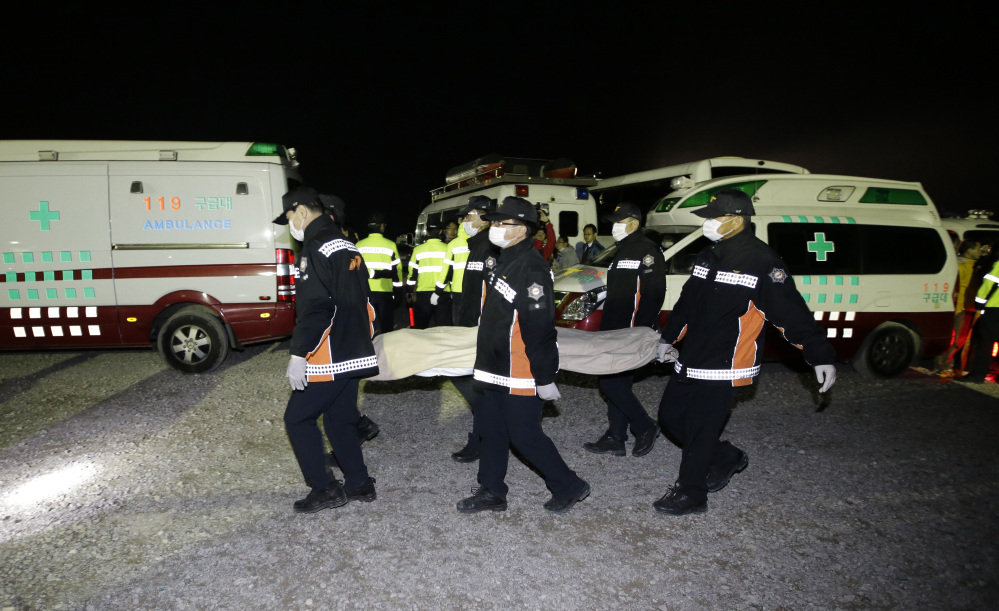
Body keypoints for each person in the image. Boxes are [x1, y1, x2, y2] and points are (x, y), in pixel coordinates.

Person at [653, 189, 836, 516]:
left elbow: (791, 312)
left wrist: (819, 354)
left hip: (727, 362)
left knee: (699, 428)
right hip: (692, 356)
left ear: (736, 219)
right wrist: (668, 338)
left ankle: (692, 494)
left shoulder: (762, 261)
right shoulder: (709, 255)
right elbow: (687, 303)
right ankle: (725, 456)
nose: (707, 224)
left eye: (713, 218)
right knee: (670, 417)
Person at [456, 196, 590, 514]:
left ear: (524, 229)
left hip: (520, 367)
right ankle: (492, 490)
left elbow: (539, 328)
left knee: (524, 435)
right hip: (492, 365)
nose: (496, 227)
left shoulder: (533, 268)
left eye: (504, 223)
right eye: (495, 221)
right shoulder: (502, 260)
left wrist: (545, 376)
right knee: (490, 429)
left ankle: (569, 485)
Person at [275, 186, 379, 513]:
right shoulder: (346, 243)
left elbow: (317, 307)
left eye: (290, 217)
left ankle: (324, 489)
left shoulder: (315, 247)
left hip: (330, 351)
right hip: (354, 347)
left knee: (297, 418)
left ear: (302, 212)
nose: (290, 225)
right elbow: (364, 299)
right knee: (337, 419)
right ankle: (359, 483)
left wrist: (299, 353)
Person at [583, 203, 666, 458]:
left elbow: (654, 294)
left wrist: (641, 330)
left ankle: (643, 425)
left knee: (612, 383)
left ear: (634, 222)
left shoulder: (647, 251)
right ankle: (616, 436)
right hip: (614, 328)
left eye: (620, 220)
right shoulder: (622, 251)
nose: (615, 225)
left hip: (630, 331)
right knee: (613, 381)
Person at [444, 195, 497, 462]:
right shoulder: (475, 245)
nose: (463, 221)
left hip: (480, 331)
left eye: (468, 216)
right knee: (472, 384)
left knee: (474, 386)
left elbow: (493, 296)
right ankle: (483, 436)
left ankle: (483, 439)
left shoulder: (490, 247)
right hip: (468, 328)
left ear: (484, 216)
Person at [935, 239, 982, 375]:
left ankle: (946, 363)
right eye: (978, 249)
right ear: (969, 250)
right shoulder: (961, 266)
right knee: (954, 339)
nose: (981, 252)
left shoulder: (973, 265)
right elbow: (956, 288)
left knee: (959, 340)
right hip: (959, 307)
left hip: (967, 307)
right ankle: (941, 365)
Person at [357, 212, 404, 335]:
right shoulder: (390, 245)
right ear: (382, 226)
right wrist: (398, 291)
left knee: (365, 326)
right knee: (386, 327)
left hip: (364, 292)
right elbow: (397, 271)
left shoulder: (359, 245)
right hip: (385, 292)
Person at [964, 252, 999, 383]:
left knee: (985, 343)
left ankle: (978, 375)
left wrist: (979, 303)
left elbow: (988, 284)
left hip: (994, 308)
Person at [407, 228, 451, 328]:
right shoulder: (447, 248)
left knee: (421, 328)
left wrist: (409, 292)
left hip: (423, 293)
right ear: (440, 231)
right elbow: (450, 272)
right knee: (443, 328)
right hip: (442, 293)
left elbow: (412, 274)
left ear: (426, 232)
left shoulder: (418, 250)